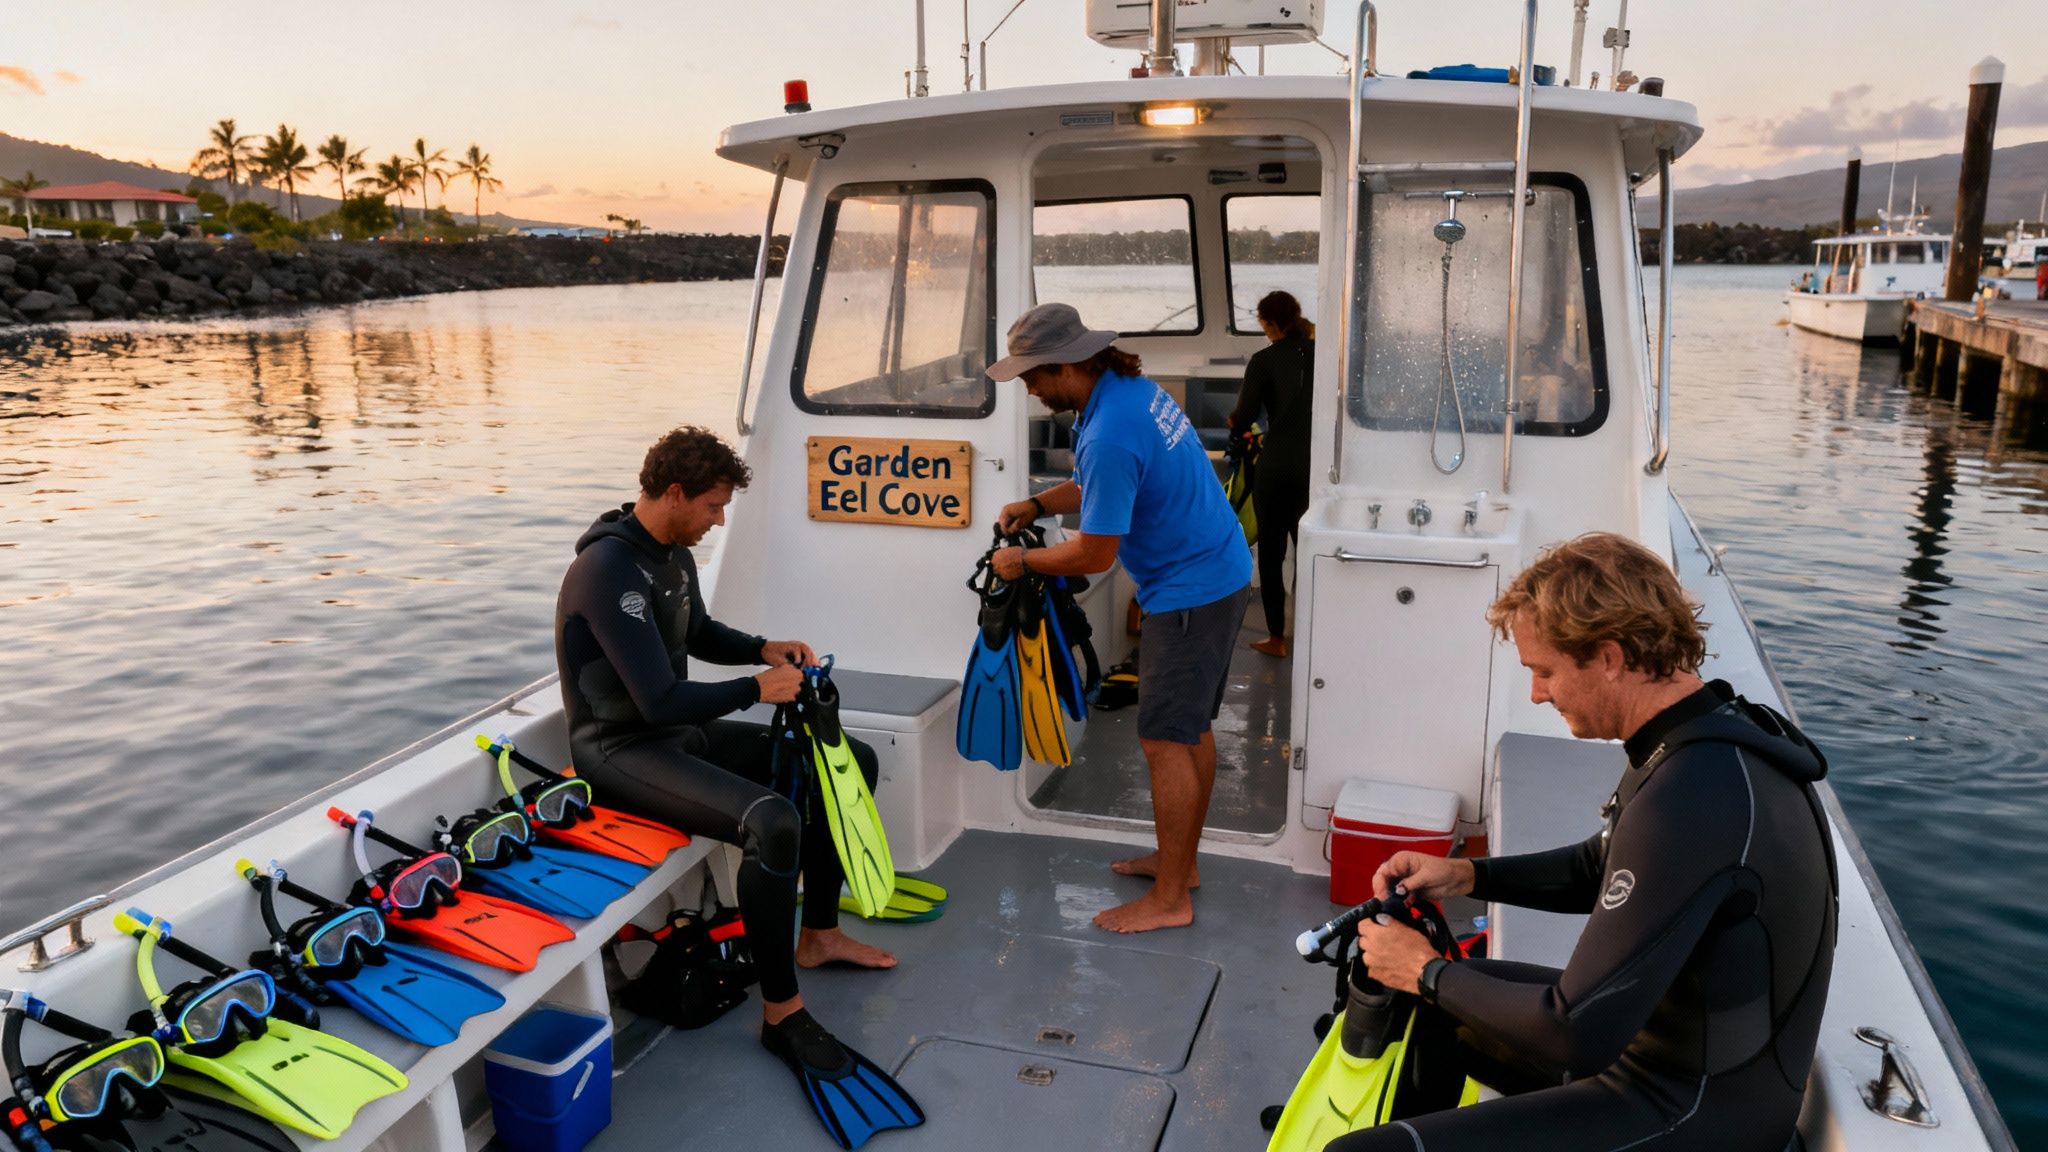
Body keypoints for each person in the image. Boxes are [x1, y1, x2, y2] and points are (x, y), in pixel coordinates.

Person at [1338, 533, 1837, 1151]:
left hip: (1697, 1114)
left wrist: (1424, 968)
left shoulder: (1693, 797)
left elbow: (1574, 1030)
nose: (1537, 694)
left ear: (1607, 657)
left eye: (1544, 671)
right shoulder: (1701, 743)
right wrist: (1466, 876)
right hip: (1669, 1053)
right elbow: (1602, 865)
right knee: (1446, 1007)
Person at [553, 427, 895, 1036]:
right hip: (619, 753)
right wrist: (756, 690)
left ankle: (818, 934)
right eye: (713, 507)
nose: (716, 520)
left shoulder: (671, 551)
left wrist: (764, 648)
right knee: (772, 820)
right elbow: (657, 703)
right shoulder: (605, 569)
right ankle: (781, 1008)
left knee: (850, 762)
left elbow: (699, 632)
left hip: (680, 737)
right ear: (676, 493)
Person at [987, 303, 1254, 933]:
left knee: (1166, 740)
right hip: (1217, 572)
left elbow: (1093, 552)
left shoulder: (1110, 428)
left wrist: (1020, 566)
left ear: (1069, 365)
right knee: (1190, 730)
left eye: (1033, 375)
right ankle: (1178, 865)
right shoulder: (1129, 393)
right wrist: (1036, 501)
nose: (1028, 388)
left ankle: (1169, 899)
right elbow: (1100, 482)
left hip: (1190, 592)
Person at [1228, 290, 1315, 658]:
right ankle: (1310, 634)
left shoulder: (1263, 360)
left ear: (1269, 324)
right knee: (1310, 555)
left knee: (1272, 556)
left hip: (1276, 469)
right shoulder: (1323, 354)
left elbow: (1243, 417)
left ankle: (1277, 639)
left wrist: (1237, 425)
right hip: (1314, 471)